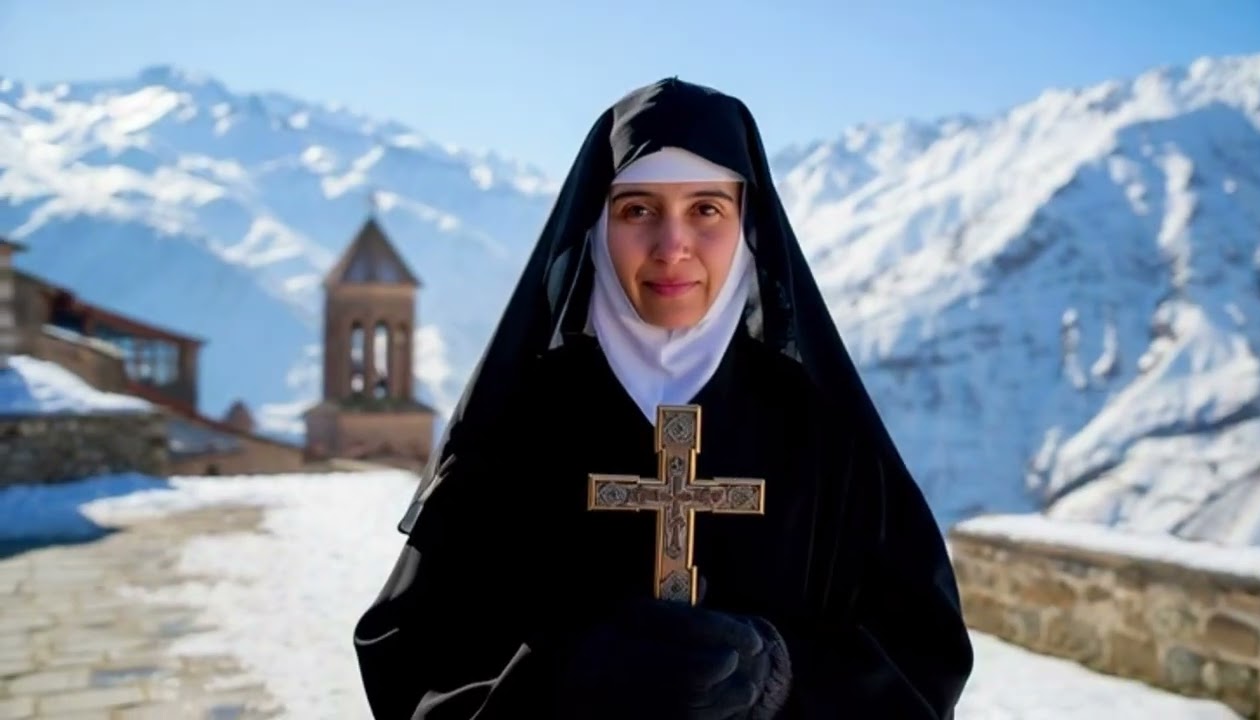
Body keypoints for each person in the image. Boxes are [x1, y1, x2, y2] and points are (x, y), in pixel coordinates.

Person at [353, 77, 974, 720]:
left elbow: (924, 660)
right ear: (597, 226)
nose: (671, 245)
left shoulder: (818, 431)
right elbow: (404, 662)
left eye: (706, 209)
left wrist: (786, 678)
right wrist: (561, 681)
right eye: (638, 210)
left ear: (746, 227)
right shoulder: (521, 422)